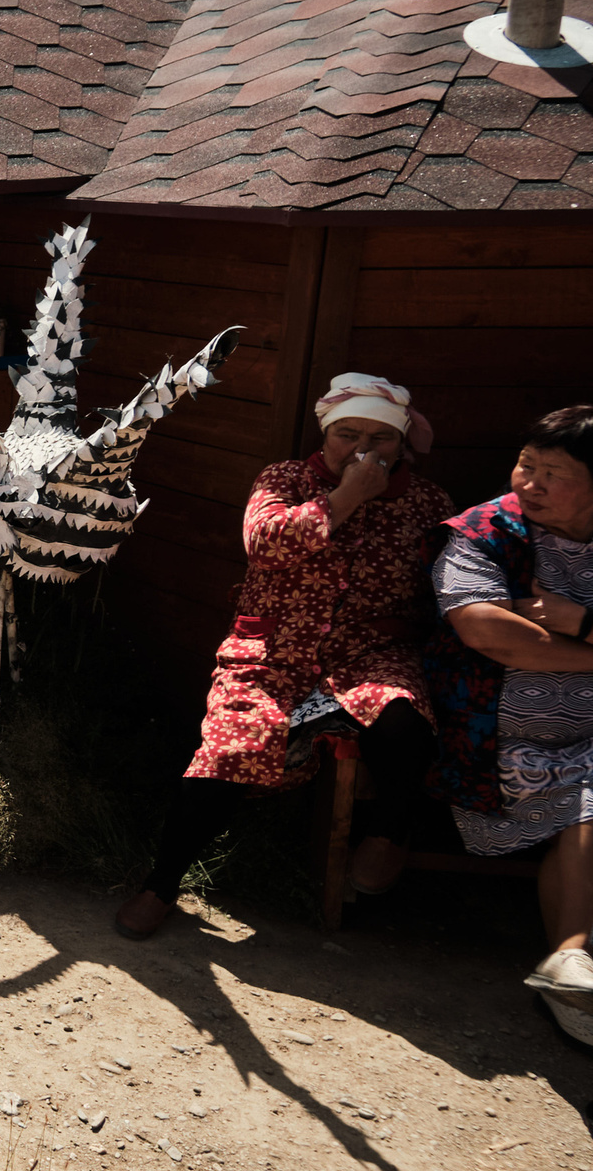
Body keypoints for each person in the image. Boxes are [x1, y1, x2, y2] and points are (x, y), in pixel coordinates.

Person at [114, 375, 454, 938]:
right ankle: (162, 882)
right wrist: (345, 498)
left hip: (369, 651)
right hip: (273, 650)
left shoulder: (427, 501)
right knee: (225, 753)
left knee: (403, 720)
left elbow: (444, 582)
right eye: (348, 434)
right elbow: (264, 544)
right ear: (326, 435)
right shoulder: (285, 479)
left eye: (381, 438)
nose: (364, 448)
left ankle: (390, 832)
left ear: (402, 443)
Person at [426, 405, 593, 1042]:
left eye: (555, 473)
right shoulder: (484, 529)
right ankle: (572, 968)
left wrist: (581, 621)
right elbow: (488, 630)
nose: (530, 483)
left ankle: (571, 965)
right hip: (499, 735)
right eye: (527, 465)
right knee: (588, 803)